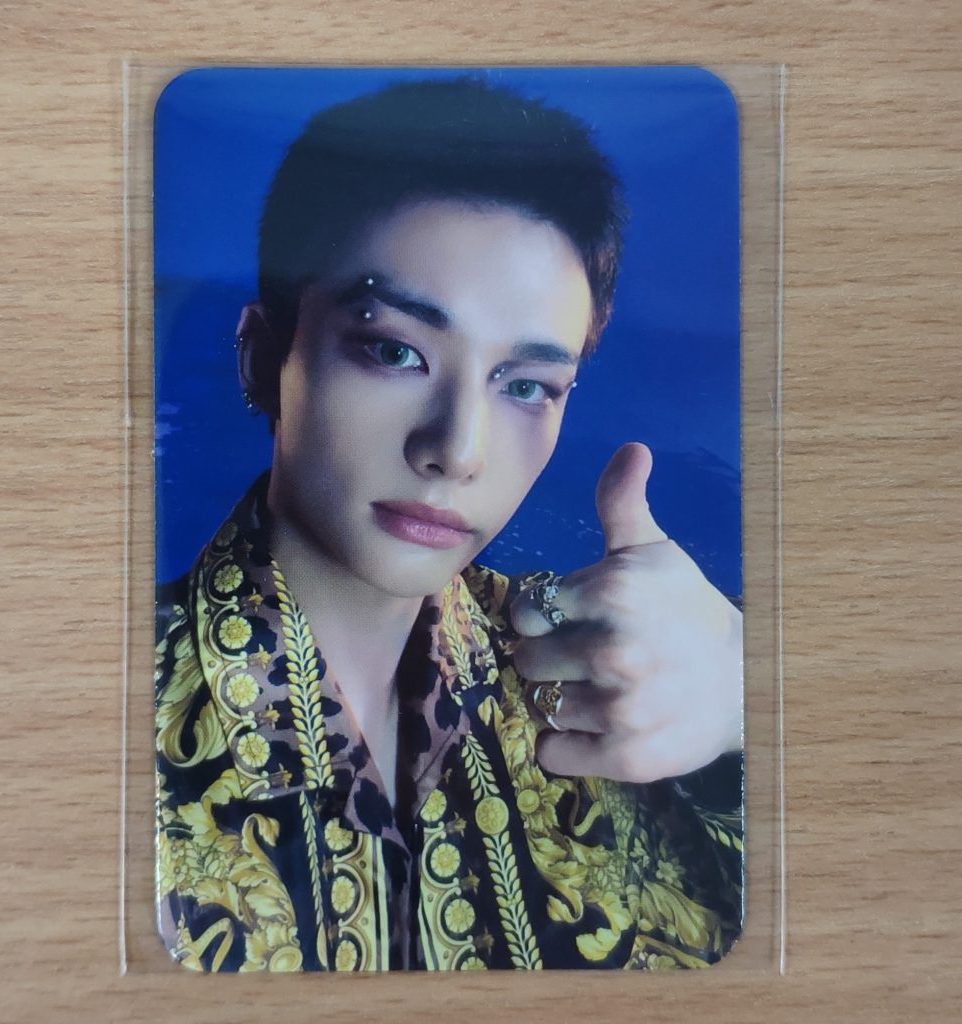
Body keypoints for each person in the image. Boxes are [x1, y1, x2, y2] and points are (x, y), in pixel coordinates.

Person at [154, 77, 744, 972]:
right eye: (395, 350)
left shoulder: (633, 677)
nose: (457, 450)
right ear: (263, 356)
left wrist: (753, 697)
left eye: (527, 386)